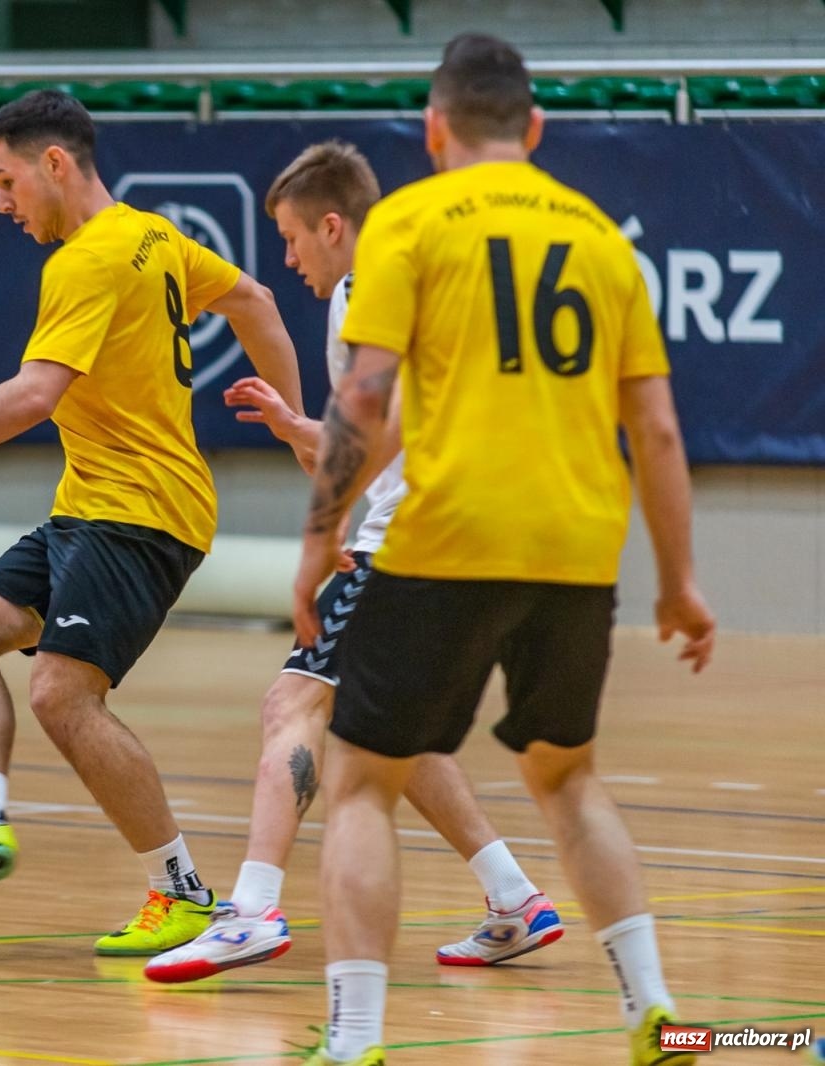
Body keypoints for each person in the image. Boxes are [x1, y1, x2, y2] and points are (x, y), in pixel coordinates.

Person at [290, 35, 716, 1066]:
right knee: (566, 779)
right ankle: (652, 1008)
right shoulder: (601, 238)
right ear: (532, 129)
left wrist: (317, 538)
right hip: (573, 548)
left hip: (445, 535)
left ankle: (352, 1042)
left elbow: (363, 396)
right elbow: (654, 429)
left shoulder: (409, 220)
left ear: (434, 130)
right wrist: (676, 584)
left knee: (358, 781)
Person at [0, 88, 308, 956]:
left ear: (56, 163)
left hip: (142, 513)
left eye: (6, 182)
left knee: (61, 694)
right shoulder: (154, 235)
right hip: (89, 506)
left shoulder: (86, 260)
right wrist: (293, 420)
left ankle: (182, 892)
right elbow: (260, 303)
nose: (2, 205)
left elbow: (33, 396)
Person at [145, 140, 562, 985]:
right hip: (478, 538)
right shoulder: (418, 283)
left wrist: (327, 519)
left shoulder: (362, 293)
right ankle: (513, 897)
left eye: (294, 239)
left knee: (289, 704)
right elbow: (373, 442)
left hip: (410, 538)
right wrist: (302, 430)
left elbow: (376, 438)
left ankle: (252, 910)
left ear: (334, 226)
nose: (289, 258)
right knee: (380, 734)